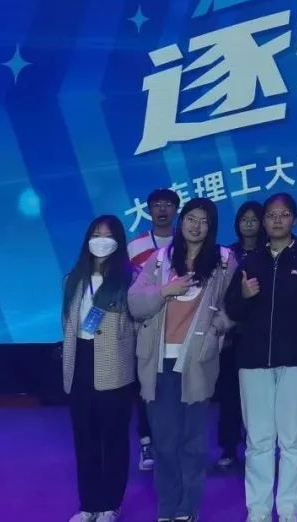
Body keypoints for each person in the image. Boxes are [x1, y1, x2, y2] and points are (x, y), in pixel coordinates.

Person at [129, 197, 237, 522]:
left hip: (196, 363)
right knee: (164, 443)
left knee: (192, 443)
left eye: (204, 221)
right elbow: (135, 302)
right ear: (182, 221)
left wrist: (218, 327)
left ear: (211, 226)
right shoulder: (161, 259)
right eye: (191, 218)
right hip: (158, 362)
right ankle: (167, 508)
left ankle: (187, 509)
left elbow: (234, 306)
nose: (196, 226)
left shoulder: (223, 261)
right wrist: (165, 291)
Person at [224, 193, 297, 522]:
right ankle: (257, 510)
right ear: (263, 221)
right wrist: (243, 296)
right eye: (271, 215)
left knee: (293, 440)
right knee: (258, 440)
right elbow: (233, 310)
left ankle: (287, 510)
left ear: (295, 219)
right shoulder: (250, 260)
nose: (277, 220)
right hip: (253, 361)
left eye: (284, 214)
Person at [63, 215, 137, 522]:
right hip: (80, 362)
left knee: (114, 439)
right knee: (85, 439)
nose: (101, 240)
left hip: (115, 367)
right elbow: (68, 324)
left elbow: (137, 324)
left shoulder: (129, 279)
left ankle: (111, 504)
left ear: (118, 241)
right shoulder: (73, 279)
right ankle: (89, 504)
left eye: (107, 235)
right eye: (95, 234)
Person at [127, 187, 180, 471]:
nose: (162, 209)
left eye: (168, 204)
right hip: (145, 326)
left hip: (179, 326)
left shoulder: (186, 242)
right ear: (148, 210)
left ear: (176, 210)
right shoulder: (135, 246)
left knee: (176, 389)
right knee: (146, 387)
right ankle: (146, 441)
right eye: (157, 204)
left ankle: (174, 443)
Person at [215, 200, 266, 470]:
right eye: (244, 219)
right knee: (230, 396)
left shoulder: (269, 253)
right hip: (231, 337)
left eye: (253, 219)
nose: (248, 224)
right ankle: (228, 447)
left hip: (260, 335)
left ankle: (257, 447)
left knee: (258, 398)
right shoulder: (227, 254)